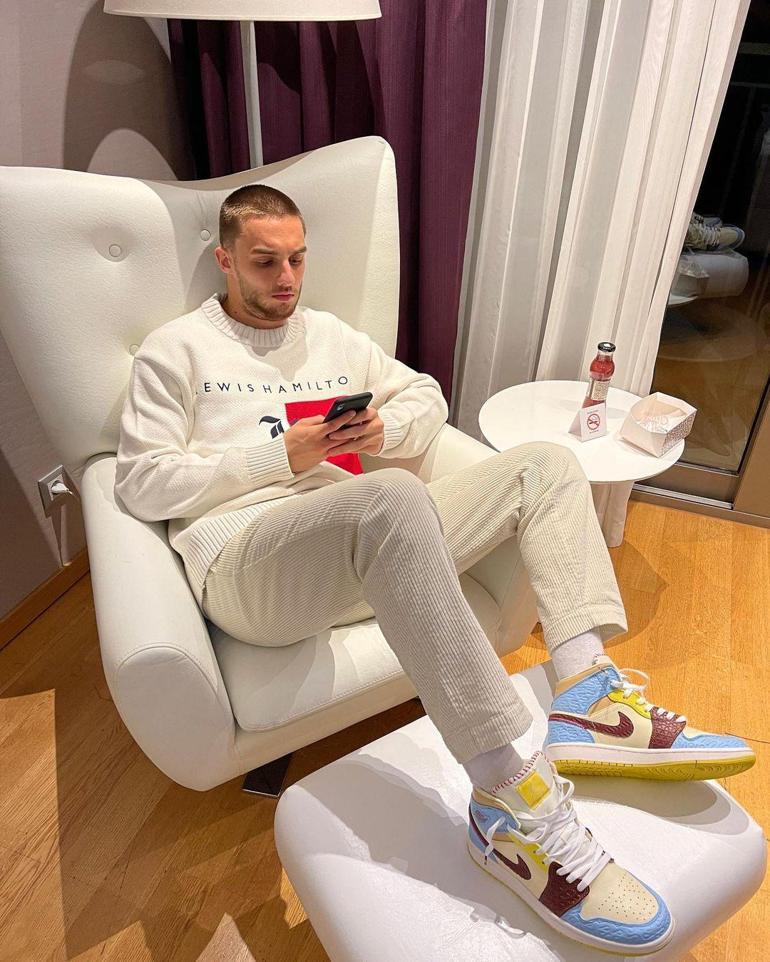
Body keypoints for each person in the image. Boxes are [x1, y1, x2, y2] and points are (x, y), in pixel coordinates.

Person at [114, 184, 755, 956]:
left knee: (548, 465)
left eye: (297, 259)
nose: (286, 278)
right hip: (249, 566)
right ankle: (512, 804)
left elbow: (425, 396)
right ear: (224, 260)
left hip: (367, 544)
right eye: (264, 262)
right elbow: (139, 483)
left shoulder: (328, 336)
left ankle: (587, 695)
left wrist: (384, 429)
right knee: (389, 497)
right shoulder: (176, 350)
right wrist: (278, 457)